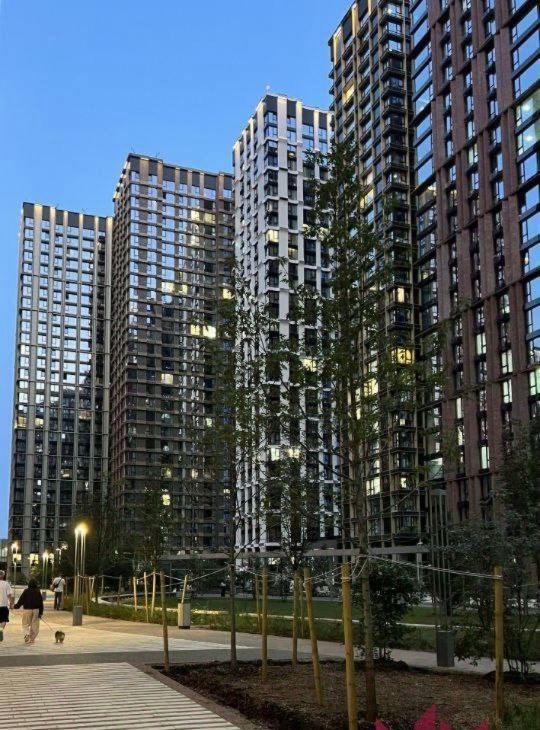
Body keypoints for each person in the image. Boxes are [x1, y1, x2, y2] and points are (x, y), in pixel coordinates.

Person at [14, 578, 44, 644]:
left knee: (25, 624)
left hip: (27, 610)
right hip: (36, 610)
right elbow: (41, 603)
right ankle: (32, 639)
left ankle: (26, 634)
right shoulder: (38, 591)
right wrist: (41, 612)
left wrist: (16, 606)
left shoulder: (26, 591)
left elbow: (21, 600)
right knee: (35, 625)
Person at [0, 570, 14, 642]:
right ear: (3, 575)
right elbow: (9, 595)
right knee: (3, 620)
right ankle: (1, 630)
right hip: (3, 606)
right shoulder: (6, 584)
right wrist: (11, 604)